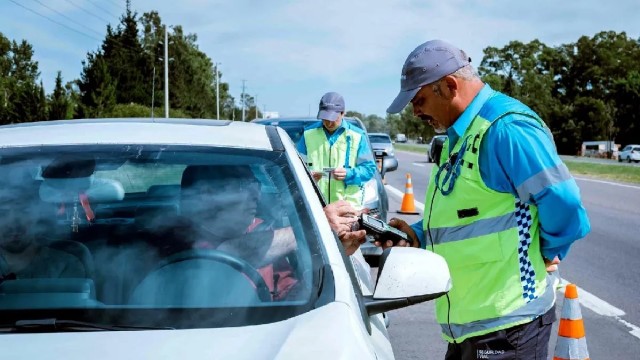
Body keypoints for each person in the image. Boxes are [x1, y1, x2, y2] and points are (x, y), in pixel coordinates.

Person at [380, 39, 591, 359]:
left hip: (509, 328)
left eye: (419, 99)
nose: (415, 111)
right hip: (470, 326)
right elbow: (470, 212)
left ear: (449, 86)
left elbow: (564, 201)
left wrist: (546, 252)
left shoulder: (505, 129)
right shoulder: (459, 134)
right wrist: (418, 233)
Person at [171, 165, 367, 300]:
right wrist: (316, 227)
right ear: (206, 194)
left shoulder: (261, 230)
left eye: (256, 186)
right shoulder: (170, 239)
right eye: (243, 186)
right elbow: (226, 253)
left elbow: (291, 297)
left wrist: (329, 262)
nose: (256, 195)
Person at [297, 92, 377, 208]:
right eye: (325, 118)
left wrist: (349, 174)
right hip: (316, 207)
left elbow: (369, 169)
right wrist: (308, 175)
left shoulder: (358, 136)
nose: (328, 123)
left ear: (343, 113)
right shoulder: (308, 134)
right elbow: (297, 167)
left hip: (348, 208)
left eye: (333, 118)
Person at [0, 185, 86, 280]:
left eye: (24, 211)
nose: (13, 222)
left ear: (37, 216)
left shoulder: (64, 265)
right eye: (2, 213)